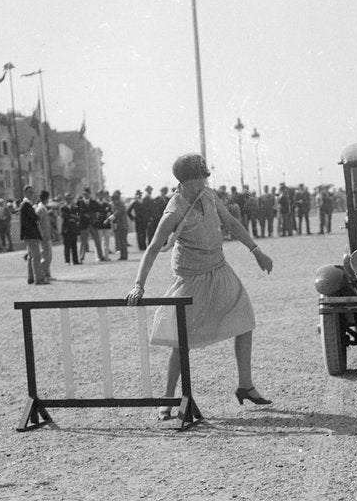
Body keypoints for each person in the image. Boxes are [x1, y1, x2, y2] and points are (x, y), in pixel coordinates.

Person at [125, 153, 274, 420]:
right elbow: (153, 247)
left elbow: (230, 222)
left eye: (205, 177)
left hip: (218, 268)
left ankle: (245, 385)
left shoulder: (208, 195)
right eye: (200, 178)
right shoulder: (174, 209)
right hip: (191, 278)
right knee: (181, 342)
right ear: (185, 180)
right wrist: (139, 285)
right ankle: (168, 400)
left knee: (245, 320)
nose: (204, 181)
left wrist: (256, 251)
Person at [20, 185, 46, 285]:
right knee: (36, 256)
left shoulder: (25, 204)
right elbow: (35, 217)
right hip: (31, 234)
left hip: (28, 235)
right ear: (25, 193)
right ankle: (38, 278)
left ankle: (31, 278)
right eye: (29, 192)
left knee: (31, 256)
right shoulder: (26, 204)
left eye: (32, 192)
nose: (32, 194)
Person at [36, 190, 55, 281]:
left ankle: (47, 274)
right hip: (44, 236)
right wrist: (42, 234)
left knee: (48, 255)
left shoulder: (43, 208)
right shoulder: (40, 209)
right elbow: (38, 223)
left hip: (47, 235)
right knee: (46, 256)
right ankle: (42, 274)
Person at [106, 189, 130, 260]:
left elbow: (116, 214)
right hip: (118, 226)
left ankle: (124, 256)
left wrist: (108, 219)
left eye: (114, 200)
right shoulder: (115, 205)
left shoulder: (121, 205)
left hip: (123, 226)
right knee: (120, 242)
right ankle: (123, 255)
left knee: (123, 242)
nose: (113, 201)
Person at [60, 193, 81, 265]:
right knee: (67, 246)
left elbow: (78, 216)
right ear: (65, 199)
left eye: (70, 198)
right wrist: (72, 217)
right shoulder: (63, 207)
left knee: (74, 245)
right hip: (66, 229)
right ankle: (67, 261)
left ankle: (75, 260)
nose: (69, 200)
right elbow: (64, 216)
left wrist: (72, 217)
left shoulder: (75, 207)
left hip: (73, 229)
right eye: (68, 198)